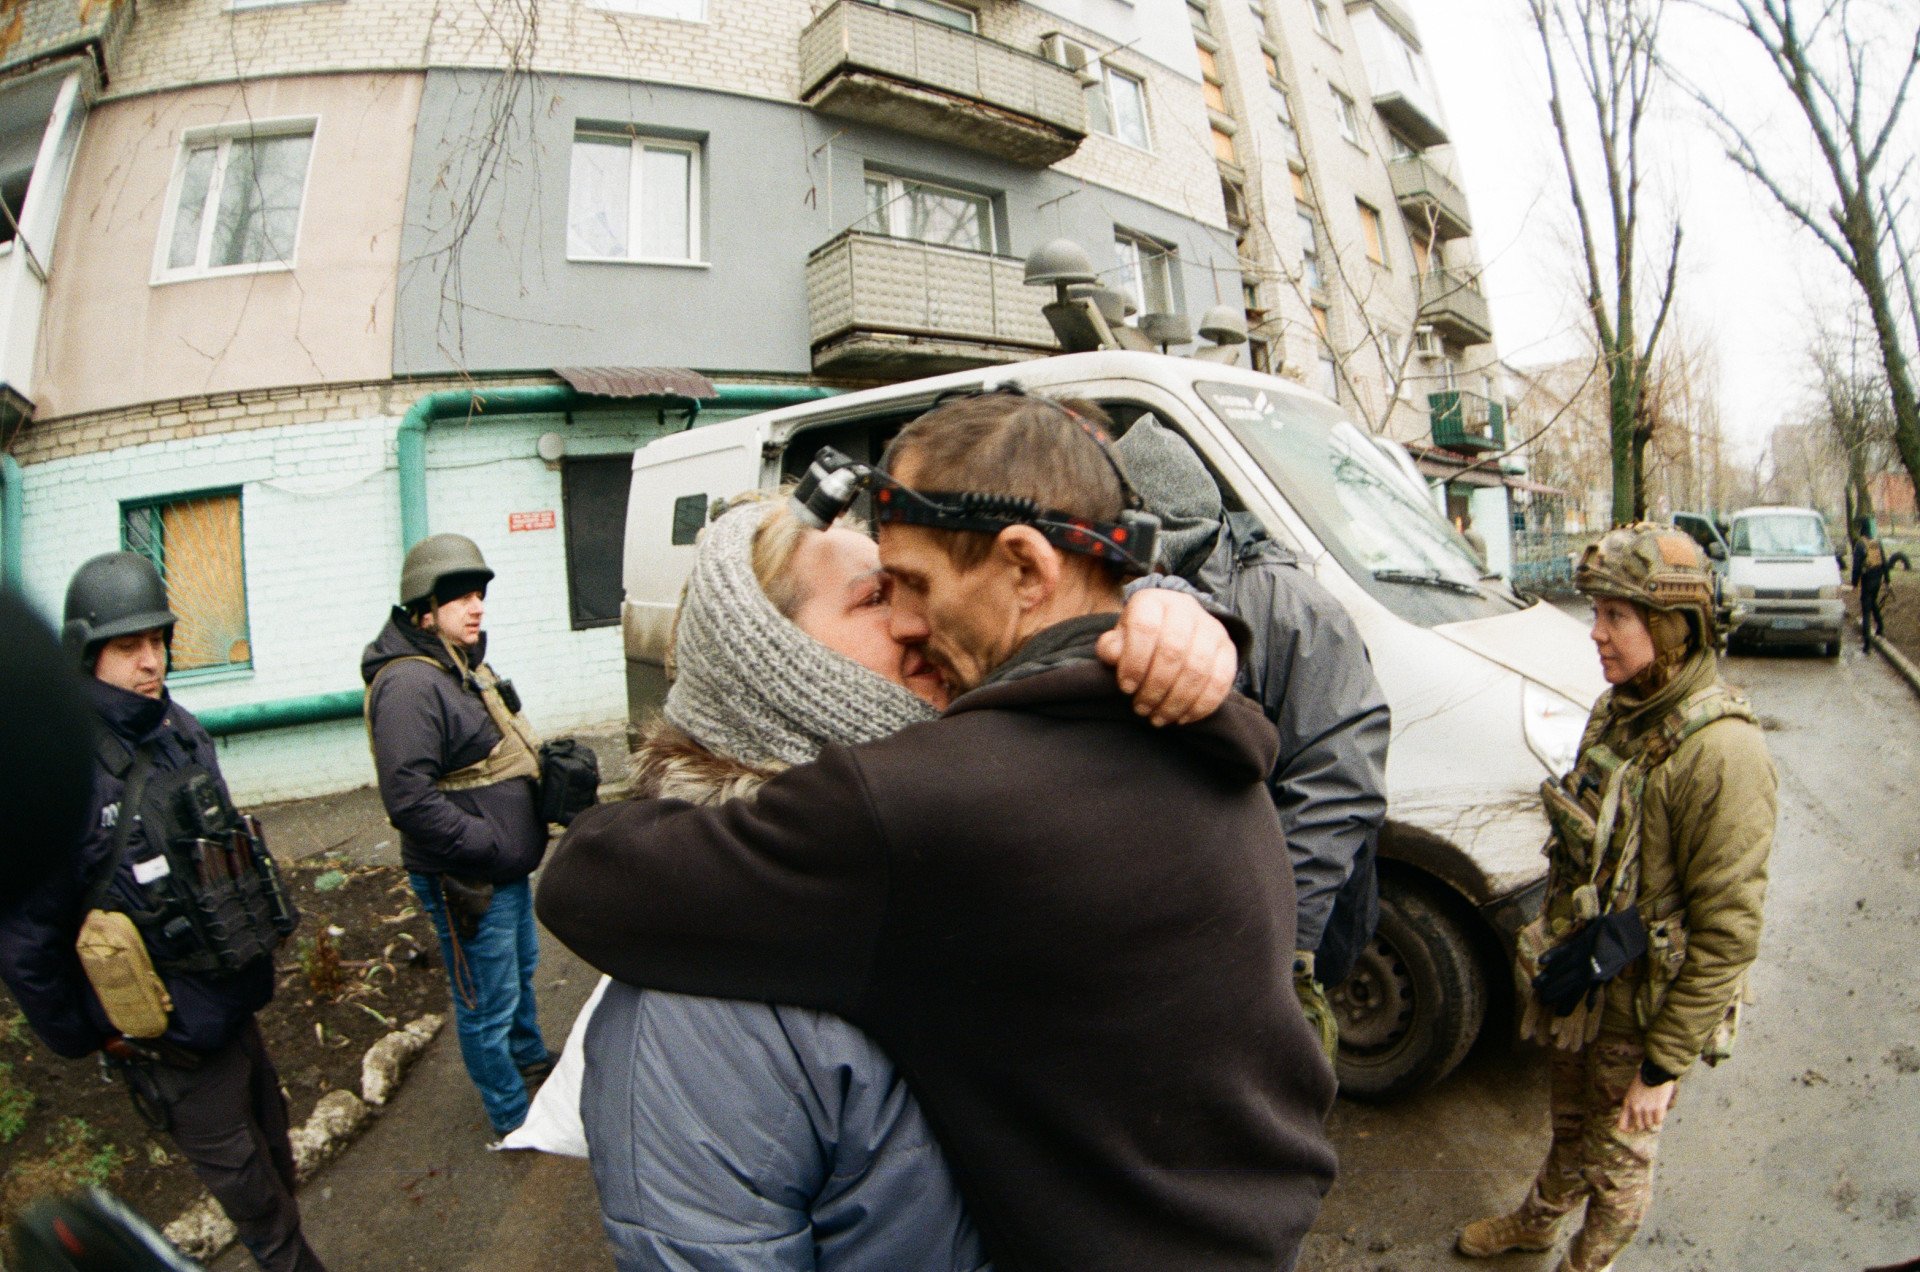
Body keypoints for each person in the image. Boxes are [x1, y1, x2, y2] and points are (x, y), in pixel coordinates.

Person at [539, 391, 1339, 1271]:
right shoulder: (1183, 731)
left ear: (1027, 568)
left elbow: (584, 877)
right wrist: (1165, 610)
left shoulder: (921, 807)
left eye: (910, 586)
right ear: (771, 659)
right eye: (876, 596)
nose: (909, 624)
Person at [1457, 523, 1775, 1272]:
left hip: (1645, 1012)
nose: (1595, 633)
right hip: (1588, 982)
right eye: (1596, 612)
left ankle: (1585, 1263)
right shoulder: (1619, 709)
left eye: (1616, 616)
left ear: (1671, 627)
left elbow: (1729, 935)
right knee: (1572, 1128)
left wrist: (1662, 1067)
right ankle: (1537, 1224)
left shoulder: (1724, 752)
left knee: (1619, 1164)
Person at [0, 552, 324, 1272]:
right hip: (173, 1053)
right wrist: (95, 1035)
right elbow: (25, 942)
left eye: (158, 641)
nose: (151, 662)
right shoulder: (67, 764)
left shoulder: (179, 729)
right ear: (86, 653)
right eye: (128, 646)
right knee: (266, 1221)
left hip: (235, 1011)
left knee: (281, 1169)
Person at [1112, 415, 1390, 1054]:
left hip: (1286, 927)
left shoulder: (1293, 607)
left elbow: (1340, 782)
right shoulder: (1147, 602)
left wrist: (1282, 943)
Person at [361, 534, 551, 1140]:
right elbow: (407, 799)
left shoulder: (461, 668)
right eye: (461, 597)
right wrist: (486, 844)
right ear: (425, 609)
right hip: (467, 876)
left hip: (500, 868)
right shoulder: (409, 685)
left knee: (517, 972)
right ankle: (512, 1117)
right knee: (485, 1002)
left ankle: (529, 1060)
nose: (477, 607)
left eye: (479, 595)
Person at [1851, 516, 1911, 653]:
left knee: (1866, 609)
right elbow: (1884, 562)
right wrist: (1887, 580)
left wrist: (1854, 582)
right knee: (1873, 602)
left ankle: (1867, 643)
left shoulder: (1860, 544)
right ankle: (1880, 627)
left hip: (1867, 580)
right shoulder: (1876, 543)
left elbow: (1856, 566)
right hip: (1877, 579)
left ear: (1861, 529)